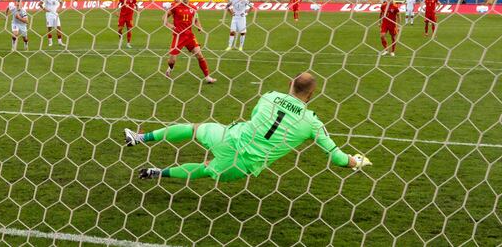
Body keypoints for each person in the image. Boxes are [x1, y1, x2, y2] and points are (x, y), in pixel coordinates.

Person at [124, 72, 372, 181]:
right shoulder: (312, 123)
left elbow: (253, 117)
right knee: (205, 168)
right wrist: (356, 161)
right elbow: (338, 158)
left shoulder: (270, 96)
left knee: (194, 128)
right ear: (312, 94)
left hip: (229, 138)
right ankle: (158, 173)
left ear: (290, 84)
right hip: (242, 166)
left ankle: (141, 137)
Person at [164, 0, 215, 84]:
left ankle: (207, 77)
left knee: (199, 55)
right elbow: (164, 19)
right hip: (178, 36)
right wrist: (172, 27)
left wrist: (199, 26)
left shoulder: (193, 8)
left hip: (189, 36)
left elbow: (195, 20)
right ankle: (170, 68)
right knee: (171, 61)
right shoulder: (175, 7)